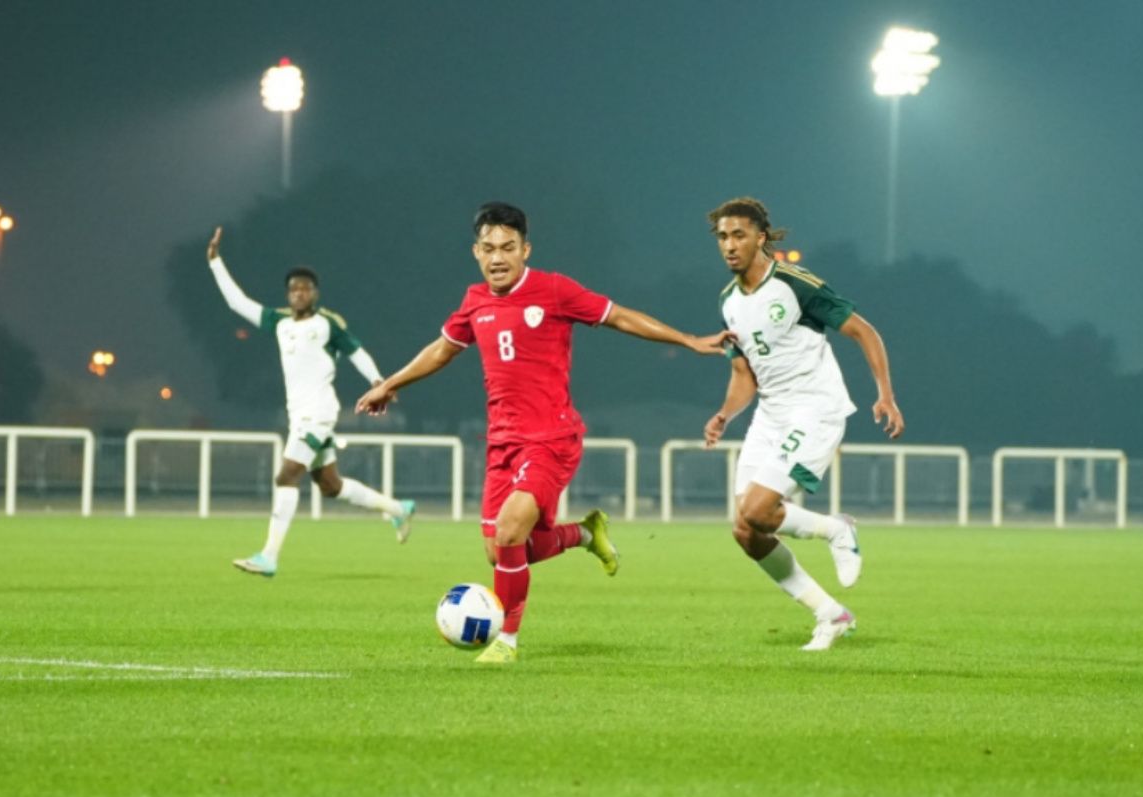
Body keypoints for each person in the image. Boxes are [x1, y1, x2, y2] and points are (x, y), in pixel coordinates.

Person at [357, 202, 731, 664]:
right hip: (501, 443)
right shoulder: (475, 300)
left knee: (512, 530)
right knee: (501, 552)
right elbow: (441, 350)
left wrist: (688, 340)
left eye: (508, 248)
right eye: (489, 248)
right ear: (476, 251)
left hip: (551, 438)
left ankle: (506, 641)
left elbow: (619, 316)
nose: (498, 257)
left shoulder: (553, 290)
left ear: (525, 249)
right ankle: (585, 535)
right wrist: (389, 385)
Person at [702, 197, 904, 651]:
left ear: (760, 237)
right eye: (722, 237)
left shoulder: (794, 284)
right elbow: (743, 374)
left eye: (738, 235)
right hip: (771, 414)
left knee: (758, 511)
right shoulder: (728, 301)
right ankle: (831, 615)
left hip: (815, 408)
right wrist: (723, 415)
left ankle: (838, 529)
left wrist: (885, 394)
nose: (729, 245)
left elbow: (863, 331)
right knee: (745, 530)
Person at [206, 226, 415, 578]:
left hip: (318, 414)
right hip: (299, 416)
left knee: (287, 474)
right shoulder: (279, 322)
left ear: (315, 293)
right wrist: (215, 263)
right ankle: (397, 508)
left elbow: (356, 351)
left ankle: (269, 556)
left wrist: (379, 381)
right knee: (330, 485)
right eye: (293, 289)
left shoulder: (327, 325)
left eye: (304, 288)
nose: (298, 293)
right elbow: (237, 303)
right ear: (288, 294)